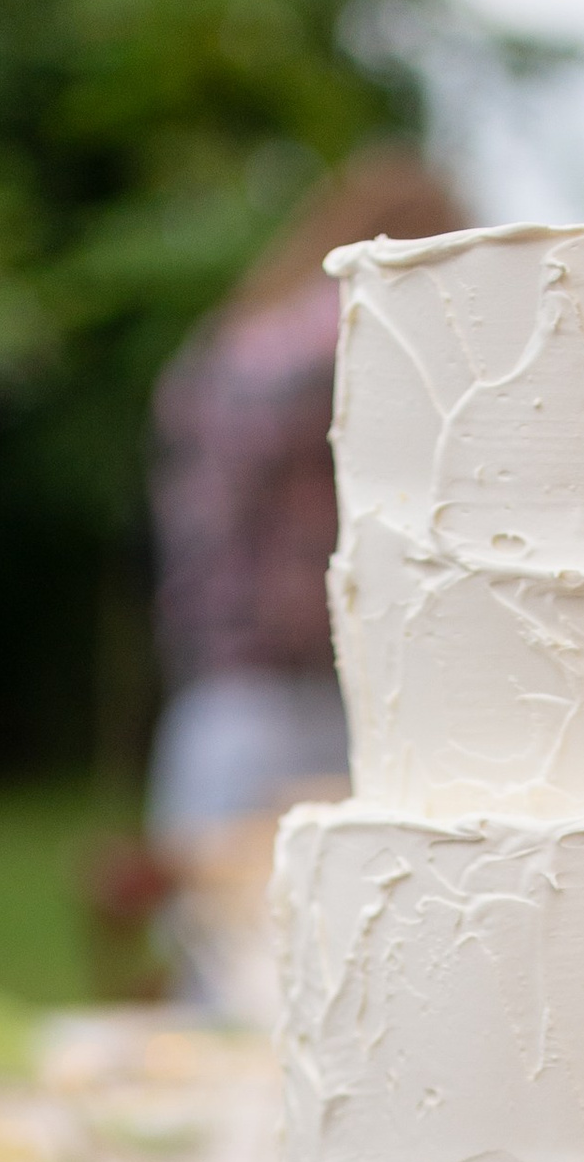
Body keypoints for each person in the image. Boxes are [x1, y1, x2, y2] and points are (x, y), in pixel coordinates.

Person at [147, 145, 469, 838]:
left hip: (222, 689)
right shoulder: (352, 323)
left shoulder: (240, 336)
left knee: (223, 936)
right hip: (295, 696)